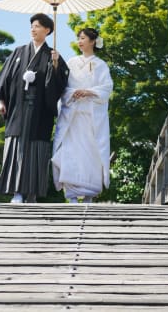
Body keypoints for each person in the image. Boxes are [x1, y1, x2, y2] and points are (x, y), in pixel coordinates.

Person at [0, 13, 68, 203]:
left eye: (38, 26)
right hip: (18, 109)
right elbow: (5, 80)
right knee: (16, 148)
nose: (33, 29)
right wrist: (1, 101)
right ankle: (16, 192)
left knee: (36, 149)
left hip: (40, 111)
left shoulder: (53, 56)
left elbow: (59, 85)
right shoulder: (18, 52)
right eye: (32, 26)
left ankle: (31, 193)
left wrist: (55, 67)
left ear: (47, 30)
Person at [51, 27, 113, 203]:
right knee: (71, 153)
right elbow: (62, 86)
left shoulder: (101, 65)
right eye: (78, 38)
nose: (80, 41)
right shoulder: (70, 62)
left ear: (93, 41)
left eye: (83, 38)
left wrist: (88, 91)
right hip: (73, 116)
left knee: (91, 154)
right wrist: (73, 92)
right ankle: (71, 194)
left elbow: (106, 88)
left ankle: (89, 194)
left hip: (92, 118)